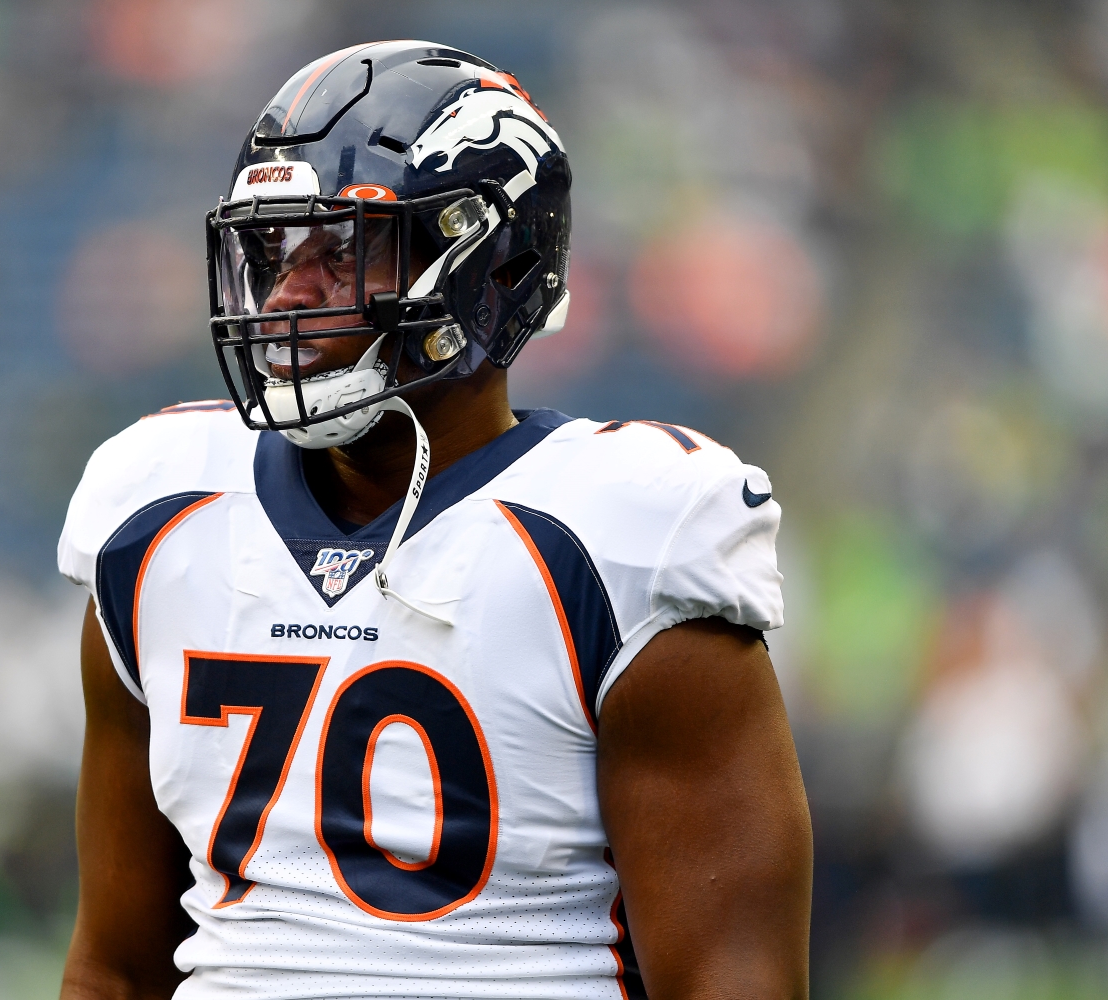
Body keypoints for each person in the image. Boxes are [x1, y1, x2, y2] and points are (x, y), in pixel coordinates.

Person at [57, 40, 811, 1000]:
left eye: (343, 253)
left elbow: (731, 980)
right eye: (272, 250)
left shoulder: (622, 543)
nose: (289, 293)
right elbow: (114, 968)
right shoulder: (158, 515)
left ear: (491, 268)